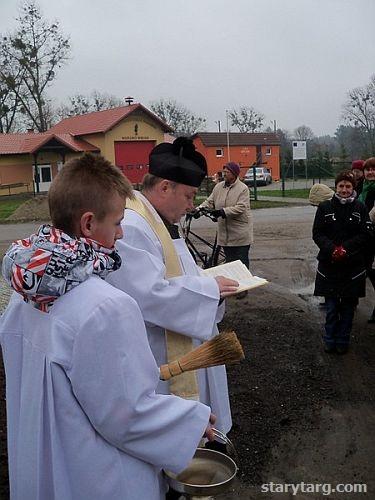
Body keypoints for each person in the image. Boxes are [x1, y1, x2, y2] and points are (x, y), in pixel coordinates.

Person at [0, 153, 216, 500]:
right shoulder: (105, 306)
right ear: (88, 224)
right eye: (117, 222)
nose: (121, 232)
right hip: (94, 473)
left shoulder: (23, 290)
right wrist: (190, 422)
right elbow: (126, 414)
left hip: (40, 458)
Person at [107, 138, 238, 454]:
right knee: (172, 437)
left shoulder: (160, 221)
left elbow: (178, 277)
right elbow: (148, 295)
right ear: (165, 187)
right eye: (189, 195)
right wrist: (209, 290)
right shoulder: (134, 225)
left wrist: (210, 287)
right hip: (160, 351)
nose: (193, 205)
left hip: (184, 339)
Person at [312, 170, 372, 354]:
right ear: (336, 187)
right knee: (331, 309)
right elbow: (317, 233)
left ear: (353, 187)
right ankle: (330, 339)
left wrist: (346, 249)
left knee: (347, 309)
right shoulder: (325, 207)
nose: (344, 190)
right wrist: (333, 249)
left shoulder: (360, 208)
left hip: (352, 267)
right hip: (329, 266)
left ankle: (343, 341)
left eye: (348, 186)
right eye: (341, 186)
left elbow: (366, 234)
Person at [198, 161, 252, 270]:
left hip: (239, 234)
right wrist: (198, 210)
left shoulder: (243, 189)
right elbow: (210, 201)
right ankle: (234, 285)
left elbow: (241, 207)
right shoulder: (219, 187)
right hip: (225, 235)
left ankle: (245, 285)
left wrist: (222, 212)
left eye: (227, 172)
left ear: (234, 174)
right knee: (230, 263)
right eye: (224, 171)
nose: (224, 174)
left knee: (241, 263)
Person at [358, 157, 375, 323]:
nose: (370, 172)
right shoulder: (361, 187)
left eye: (373, 169)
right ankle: (351, 301)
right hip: (362, 237)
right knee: (362, 269)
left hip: (372, 236)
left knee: (371, 272)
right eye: (367, 169)